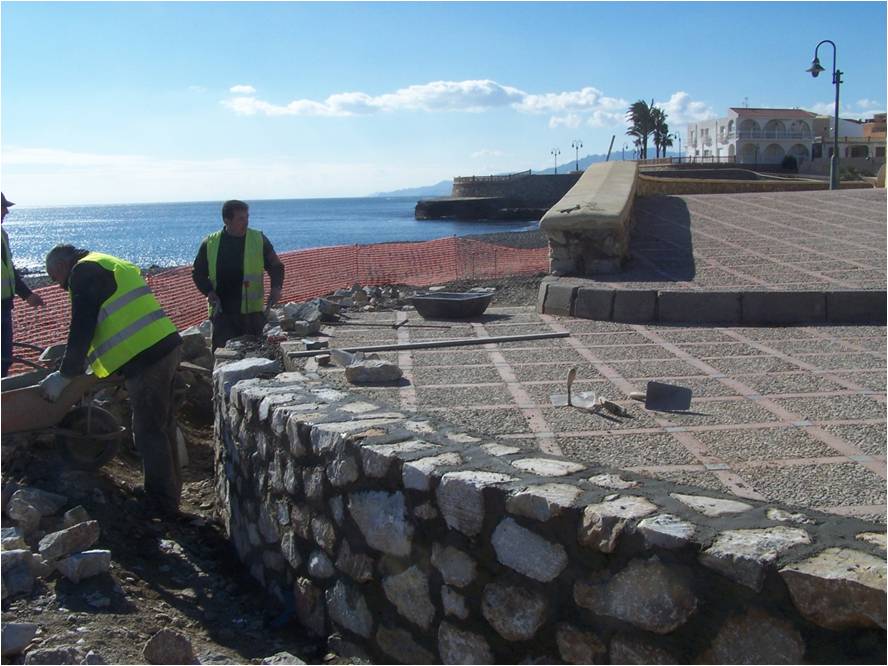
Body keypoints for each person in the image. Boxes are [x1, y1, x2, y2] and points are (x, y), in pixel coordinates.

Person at [39, 245, 183, 516]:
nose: (58, 286)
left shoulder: (83, 272)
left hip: (147, 357)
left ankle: (162, 503)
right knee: (162, 425)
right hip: (163, 346)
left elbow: (83, 325)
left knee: (148, 431)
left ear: (60, 266)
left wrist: (65, 375)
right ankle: (169, 493)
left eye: (53, 278)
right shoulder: (104, 262)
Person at [192, 199, 284, 349]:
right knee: (223, 355)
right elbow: (198, 273)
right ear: (227, 220)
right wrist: (208, 291)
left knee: (257, 354)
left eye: (247, 217)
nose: (246, 222)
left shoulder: (258, 239)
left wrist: (276, 288)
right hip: (223, 314)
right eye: (241, 218)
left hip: (253, 314)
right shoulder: (210, 243)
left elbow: (276, 266)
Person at [1, 193, 44, 376]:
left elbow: (9, 270)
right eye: (3, 207)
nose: (6, 211)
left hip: (4, 306)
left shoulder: (2, 235)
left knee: (5, 357)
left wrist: (27, 295)